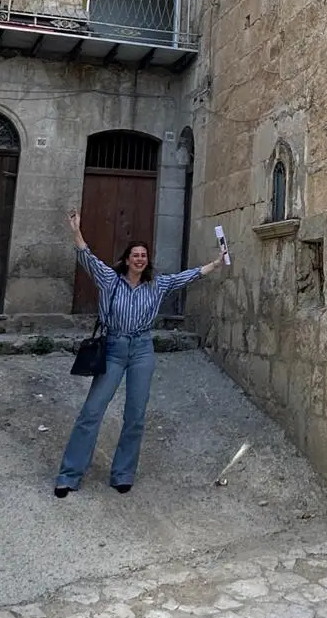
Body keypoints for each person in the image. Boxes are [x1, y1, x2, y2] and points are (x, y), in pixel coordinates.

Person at [54, 209, 227, 497]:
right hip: (113, 348)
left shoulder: (156, 285)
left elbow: (186, 277)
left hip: (142, 350)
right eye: (135, 255)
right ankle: (69, 475)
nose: (139, 259)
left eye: (143, 255)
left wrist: (215, 264)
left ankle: (122, 474)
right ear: (127, 259)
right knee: (92, 411)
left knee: (135, 415)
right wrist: (76, 231)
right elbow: (87, 257)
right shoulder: (109, 279)